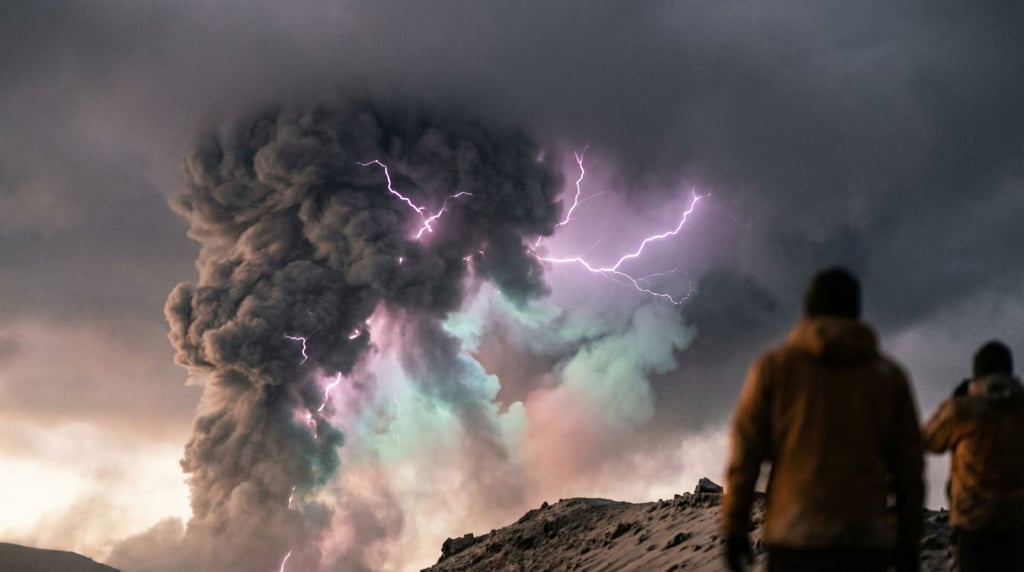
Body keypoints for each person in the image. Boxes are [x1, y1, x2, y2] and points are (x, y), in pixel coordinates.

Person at [721, 267, 924, 572]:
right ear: (856, 311)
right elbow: (909, 466)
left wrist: (734, 527)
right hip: (863, 541)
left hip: (795, 536)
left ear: (809, 310)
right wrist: (909, 539)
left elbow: (746, 451)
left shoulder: (774, 369)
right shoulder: (888, 377)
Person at [922, 341, 1024, 571]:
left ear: (977, 375)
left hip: (974, 524)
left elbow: (930, 440)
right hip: (1017, 522)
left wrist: (954, 401)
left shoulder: (964, 410)